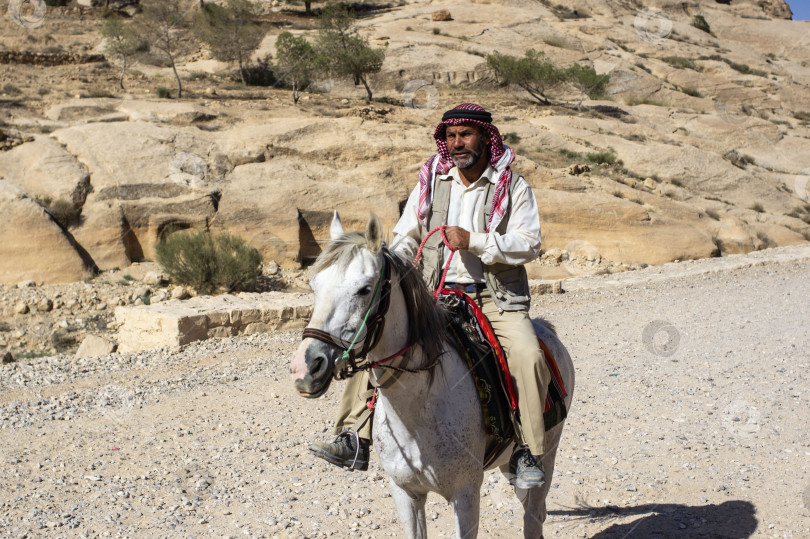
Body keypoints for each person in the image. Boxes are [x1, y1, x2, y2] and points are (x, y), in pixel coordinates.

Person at [309, 103, 551, 489]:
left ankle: (527, 449)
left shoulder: (512, 186)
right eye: (451, 136)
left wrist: (475, 241)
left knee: (528, 353)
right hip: (435, 292)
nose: (457, 143)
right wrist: (391, 267)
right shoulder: (432, 180)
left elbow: (529, 243)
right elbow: (407, 237)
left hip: (493, 297)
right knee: (372, 336)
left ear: (486, 138)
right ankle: (354, 436)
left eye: (465, 135)